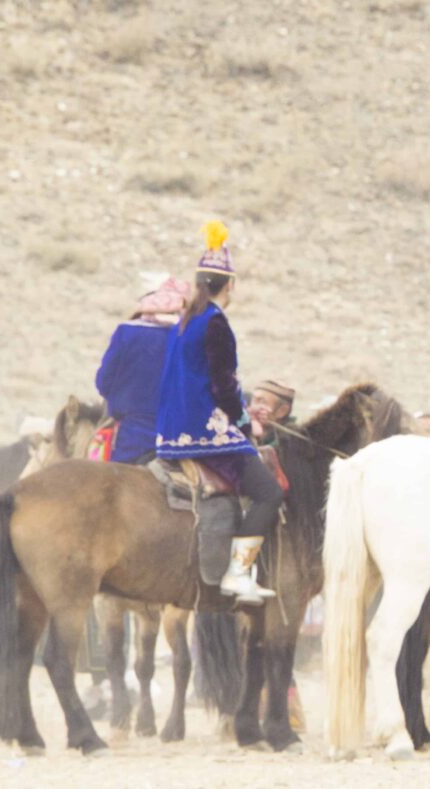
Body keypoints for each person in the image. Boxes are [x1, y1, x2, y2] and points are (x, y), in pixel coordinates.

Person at [155, 221, 283, 605]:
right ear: (229, 286)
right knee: (269, 493)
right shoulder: (215, 323)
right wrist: (246, 423)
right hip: (204, 431)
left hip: (170, 431)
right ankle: (239, 572)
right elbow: (224, 384)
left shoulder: (185, 321)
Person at [95, 277, 192, 464]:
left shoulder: (126, 332)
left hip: (131, 438)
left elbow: (103, 382)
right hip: (178, 441)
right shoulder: (190, 337)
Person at [248, 380, 296, 448]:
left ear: (282, 411)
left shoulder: (289, 440)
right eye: (254, 400)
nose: (254, 408)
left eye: (262, 402)